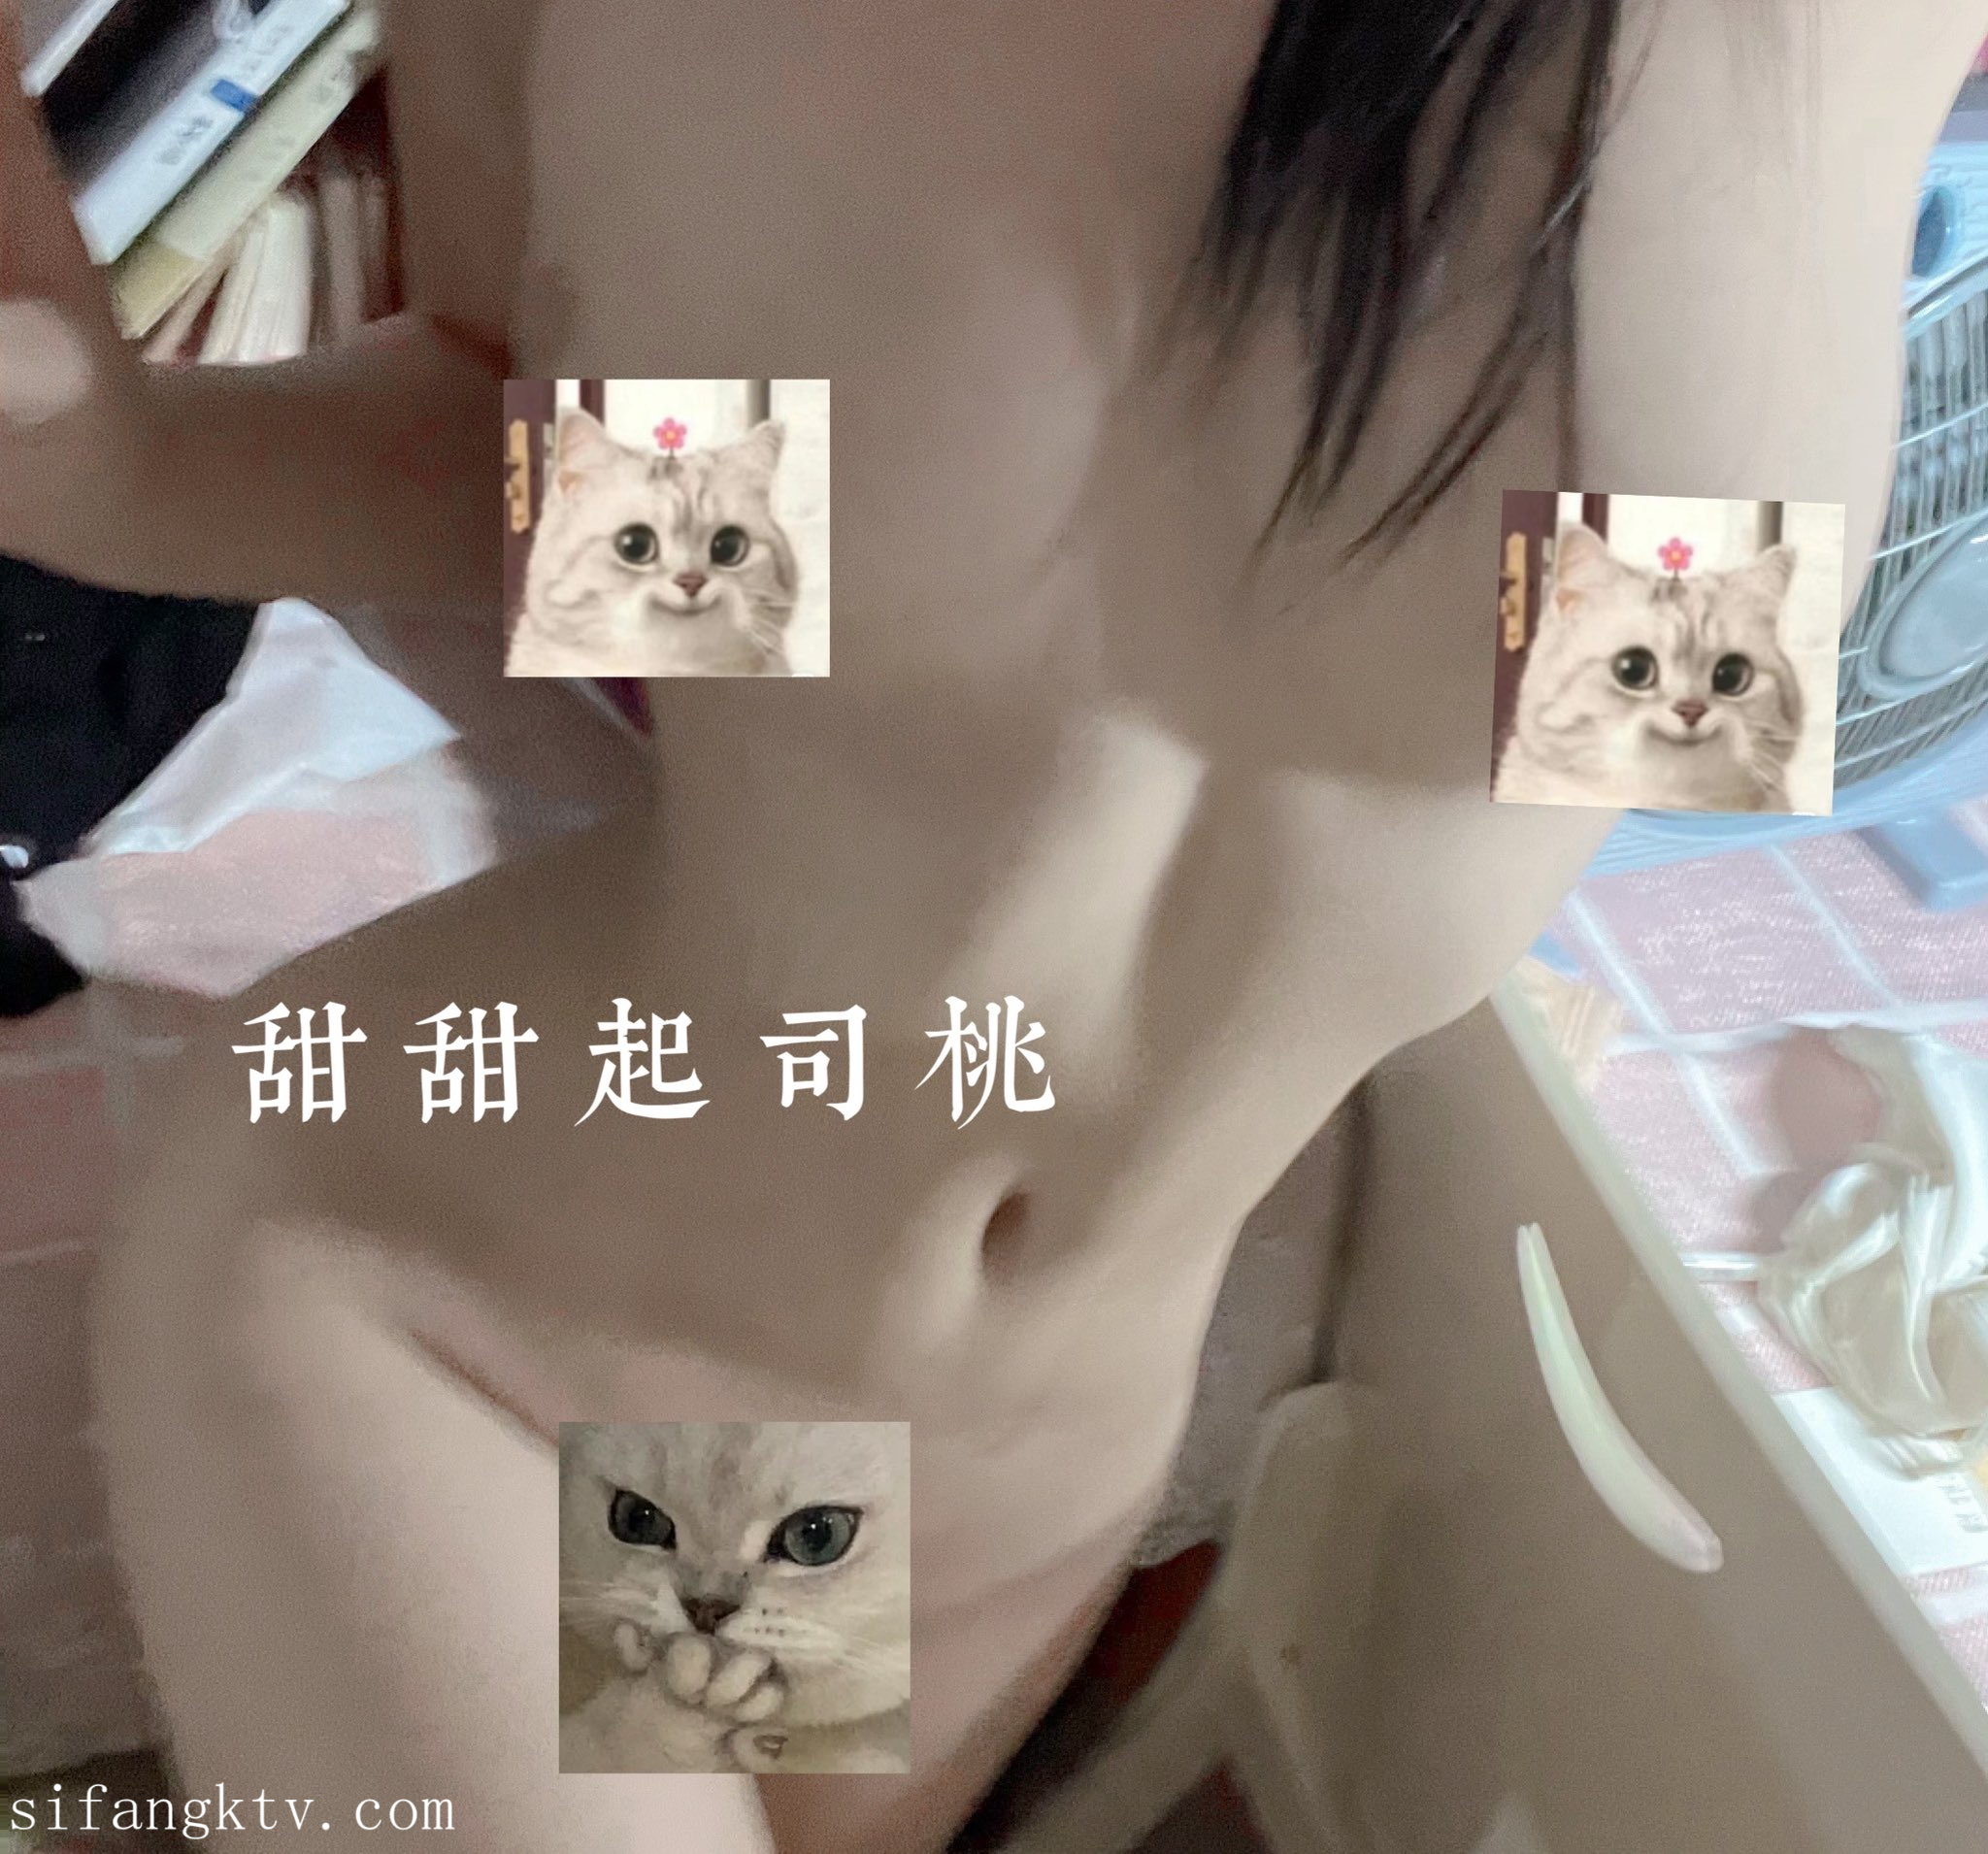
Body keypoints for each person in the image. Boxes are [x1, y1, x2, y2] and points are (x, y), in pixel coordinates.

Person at [2, 1, 1977, 1849]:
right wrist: (102, 460)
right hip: (459, 1322)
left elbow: (1620, 711)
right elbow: (584, 510)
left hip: (1007, 1441)